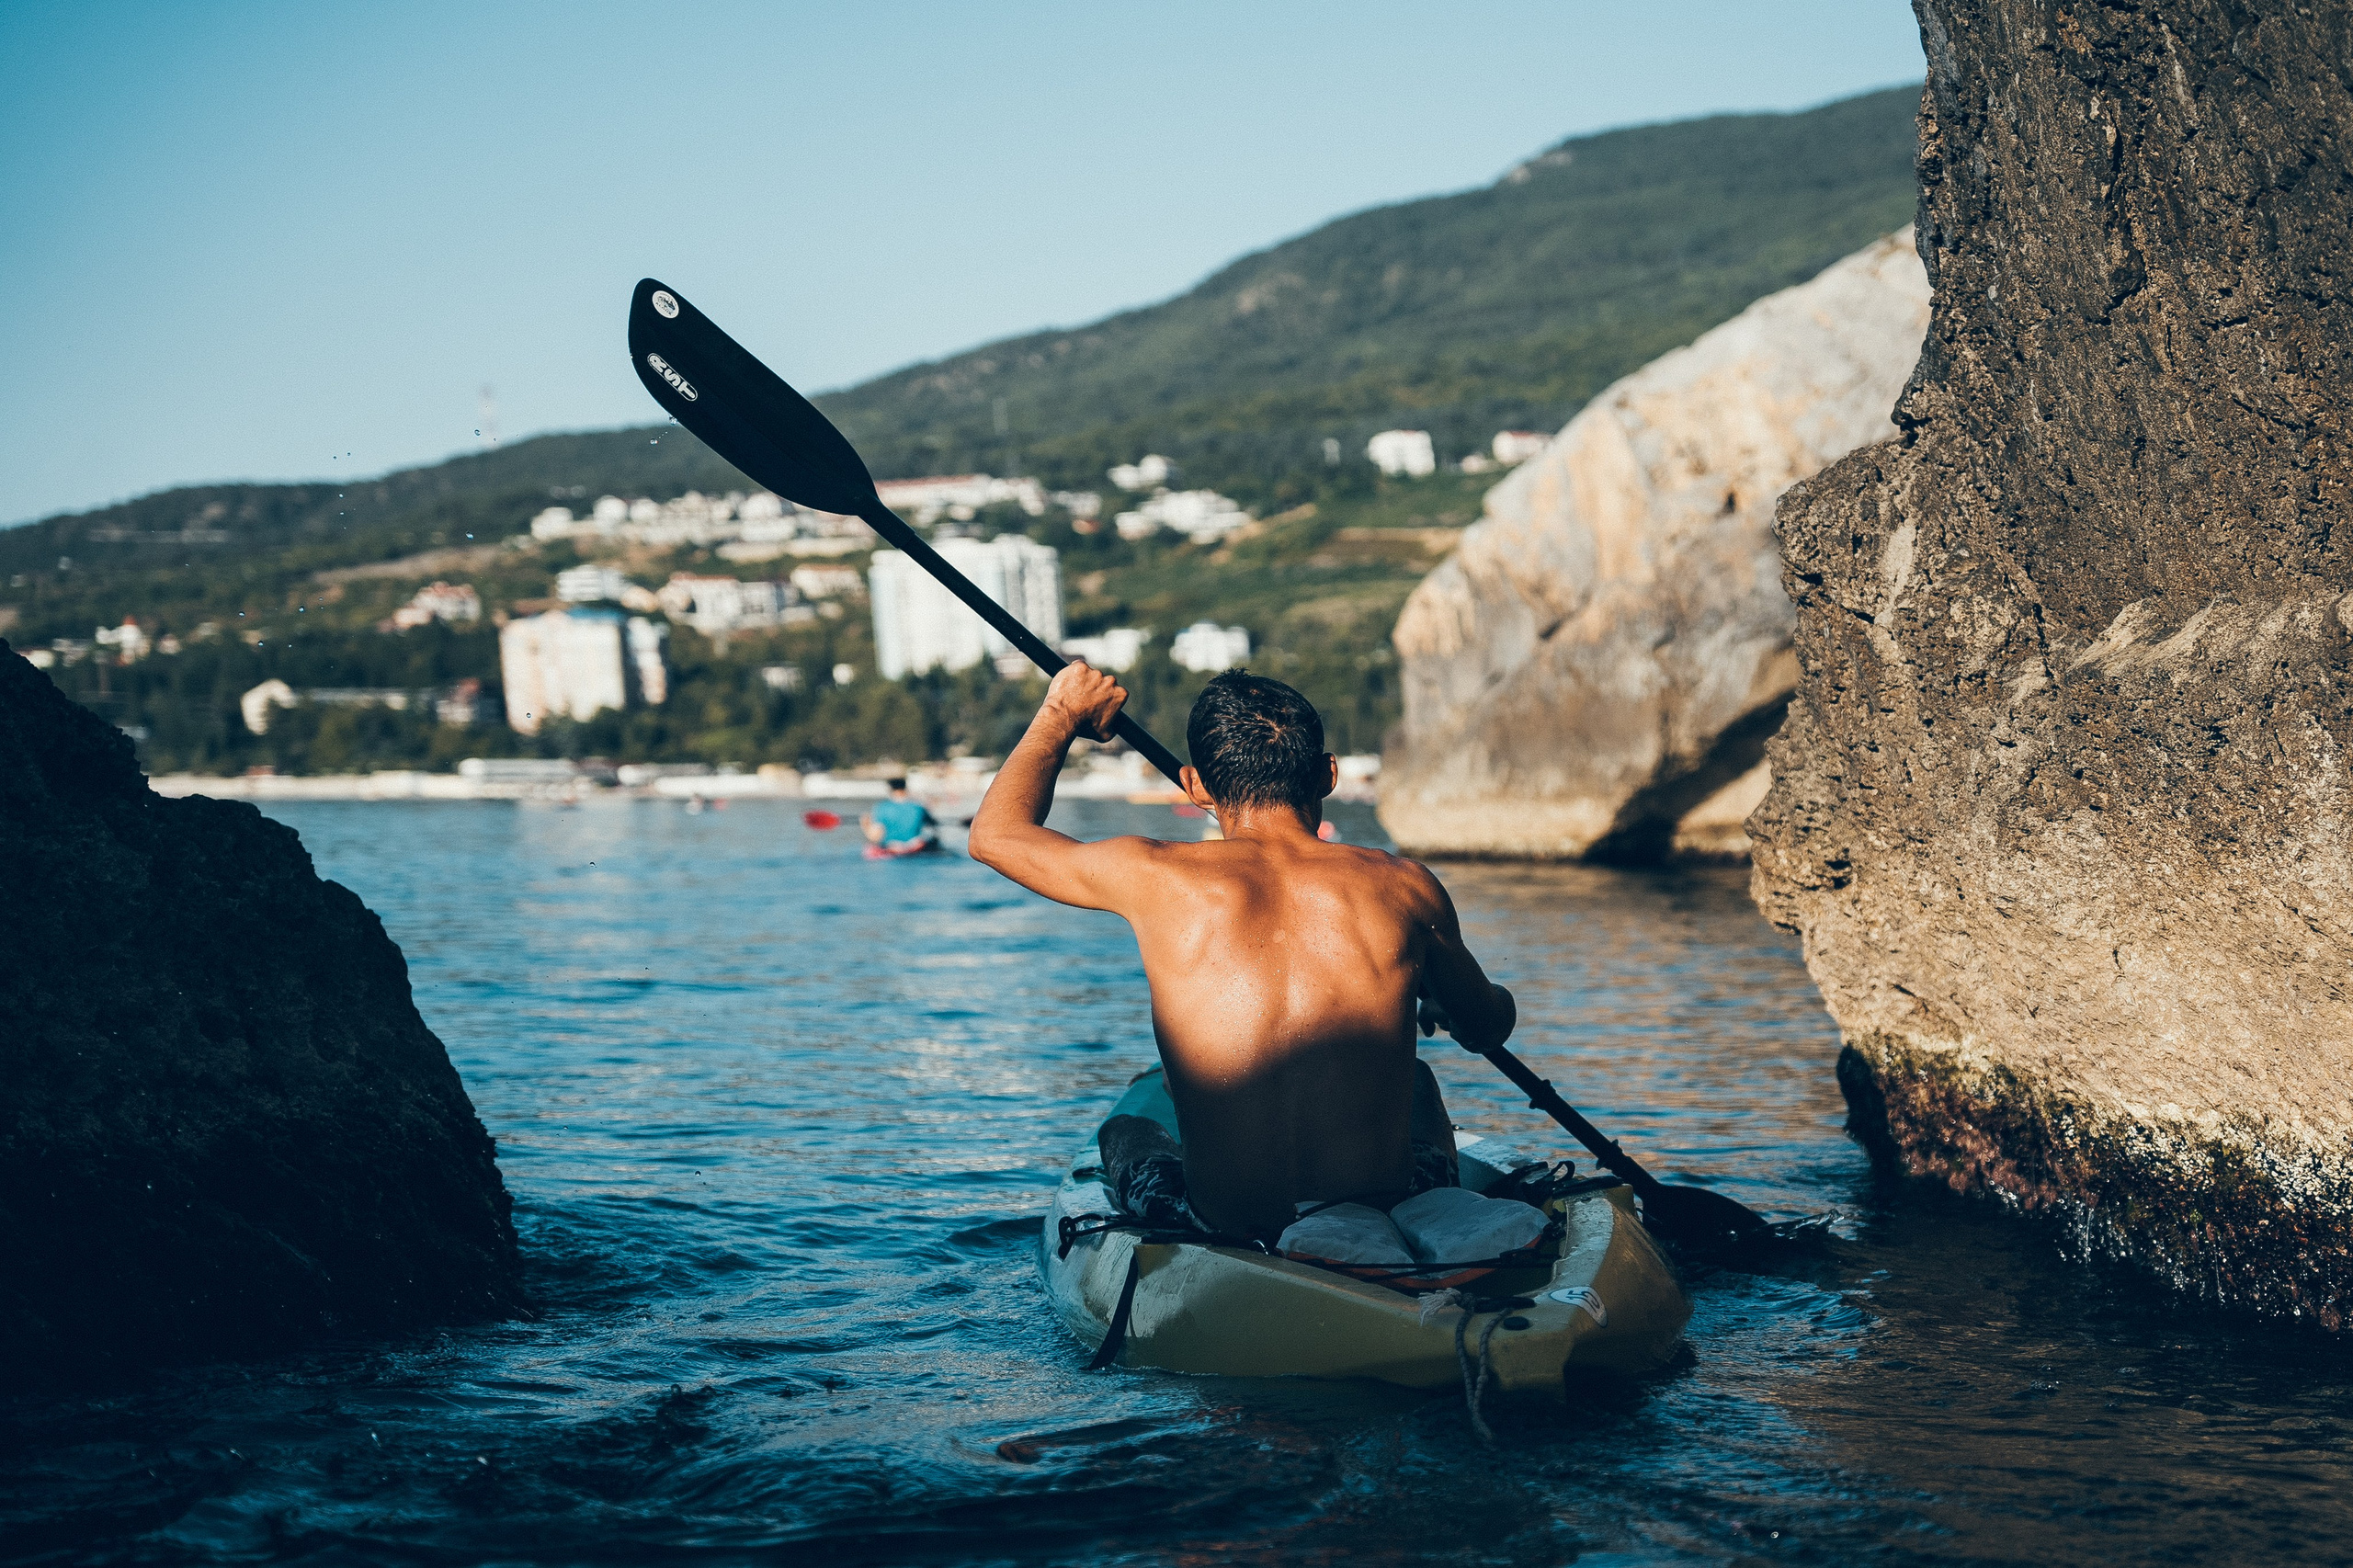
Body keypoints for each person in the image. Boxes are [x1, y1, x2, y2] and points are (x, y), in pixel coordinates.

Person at [968, 663, 1516, 1244]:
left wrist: (1060, 716)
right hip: (1375, 1213)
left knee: (1126, 1132)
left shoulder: (1153, 873)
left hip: (1231, 1226)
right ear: (1328, 775)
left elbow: (995, 836)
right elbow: (1486, 1028)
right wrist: (1453, 1003)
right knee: (1421, 1087)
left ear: (1197, 786)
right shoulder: (1406, 886)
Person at [862, 778, 938, 852]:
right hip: (915, 845)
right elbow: (933, 826)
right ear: (905, 788)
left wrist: (865, 825)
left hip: (891, 846)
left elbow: (875, 836)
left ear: (890, 789)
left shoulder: (882, 808)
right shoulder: (919, 806)